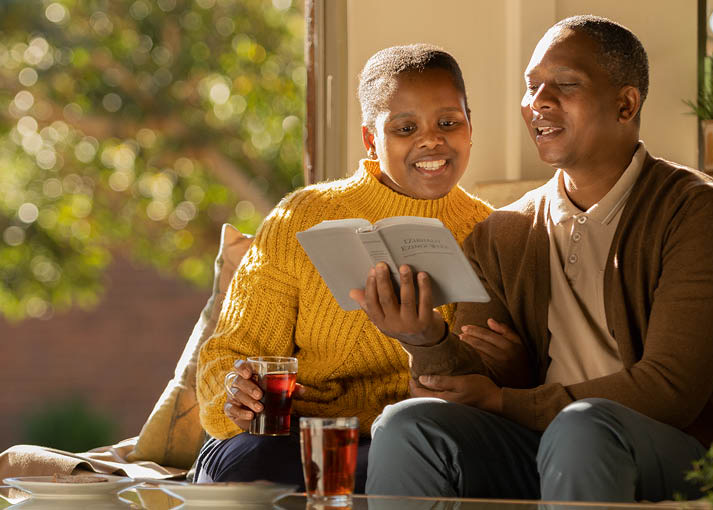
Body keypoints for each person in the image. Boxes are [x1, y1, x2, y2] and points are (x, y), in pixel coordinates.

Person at [352, 15, 713, 502]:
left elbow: (670, 390)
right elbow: (479, 383)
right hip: (542, 444)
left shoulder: (698, 212)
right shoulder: (503, 233)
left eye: (565, 85)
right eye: (531, 86)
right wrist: (425, 338)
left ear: (625, 104)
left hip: (676, 453)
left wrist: (507, 400)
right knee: (406, 424)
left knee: (582, 430)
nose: (538, 102)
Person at [193, 44, 492, 491]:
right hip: (284, 438)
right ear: (372, 139)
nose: (431, 140)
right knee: (247, 468)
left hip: (404, 444)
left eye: (448, 122)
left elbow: (492, 377)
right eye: (405, 128)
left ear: (470, 127)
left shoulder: (491, 233)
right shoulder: (301, 216)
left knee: (406, 471)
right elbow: (228, 354)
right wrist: (237, 395)